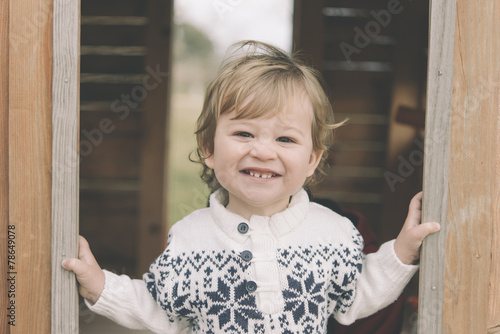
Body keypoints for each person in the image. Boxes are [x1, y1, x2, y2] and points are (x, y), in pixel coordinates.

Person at [62, 40, 440, 334]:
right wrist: (100, 286)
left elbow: (357, 296)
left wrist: (402, 251)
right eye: (244, 133)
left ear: (312, 160)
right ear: (208, 148)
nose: (262, 151)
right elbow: (160, 310)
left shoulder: (333, 232)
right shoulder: (190, 238)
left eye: (285, 140)